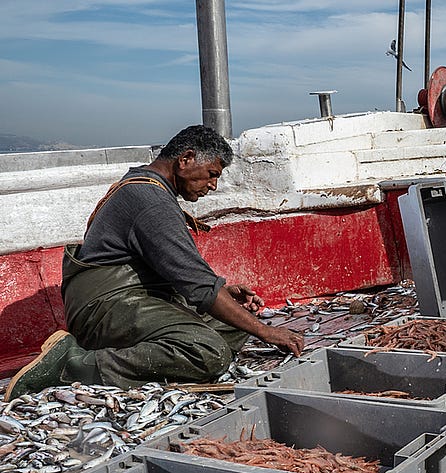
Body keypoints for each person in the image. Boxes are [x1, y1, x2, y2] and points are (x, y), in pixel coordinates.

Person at [4, 125, 304, 401]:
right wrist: (268, 332)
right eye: (212, 173)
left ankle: (133, 354)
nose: (213, 185)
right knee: (209, 351)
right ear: (186, 159)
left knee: (237, 322)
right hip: (106, 308)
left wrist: (227, 296)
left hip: (132, 299)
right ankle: (70, 364)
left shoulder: (146, 186)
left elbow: (186, 276)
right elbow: (199, 287)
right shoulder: (151, 201)